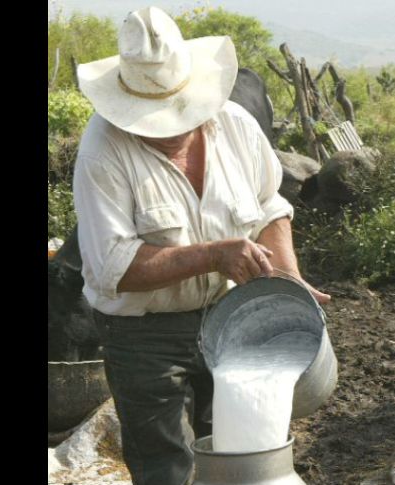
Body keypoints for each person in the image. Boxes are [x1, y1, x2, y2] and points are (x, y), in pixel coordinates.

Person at [72, 6, 329, 485]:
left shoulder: (235, 125)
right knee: (166, 466)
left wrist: (287, 276)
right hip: (144, 333)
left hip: (231, 316)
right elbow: (113, 267)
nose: (167, 130)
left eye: (176, 116)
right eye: (150, 121)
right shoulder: (102, 151)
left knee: (240, 454)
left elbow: (269, 205)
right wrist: (214, 255)